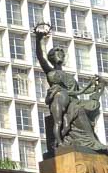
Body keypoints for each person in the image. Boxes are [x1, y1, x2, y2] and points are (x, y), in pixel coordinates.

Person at [34, 22, 108, 152]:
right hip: (63, 102)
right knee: (73, 113)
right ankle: (73, 142)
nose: (60, 55)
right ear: (52, 58)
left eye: (62, 53)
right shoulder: (50, 71)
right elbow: (40, 57)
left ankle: (90, 141)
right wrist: (38, 39)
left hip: (73, 101)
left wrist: (98, 86)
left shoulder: (69, 76)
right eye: (57, 53)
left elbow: (79, 91)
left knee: (90, 105)